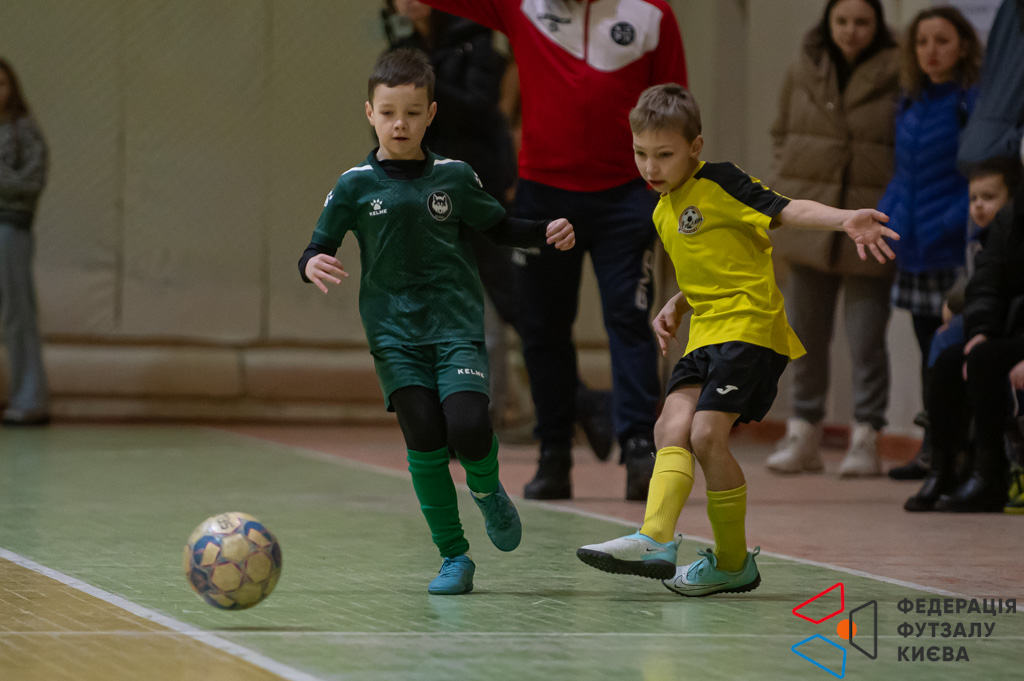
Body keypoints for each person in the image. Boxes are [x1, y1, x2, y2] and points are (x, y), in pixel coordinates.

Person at [576, 84, 898, 596]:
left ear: (694, 147)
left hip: (749, 327)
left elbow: (786, 209)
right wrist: (679, 303)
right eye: (640, 153)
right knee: (669, 427)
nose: (650, 167)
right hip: (705, 334)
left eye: (664, 154)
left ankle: (713, 557)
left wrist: (845, 220)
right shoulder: (662, 210)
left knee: (706, 435)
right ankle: (671, 545)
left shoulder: (721, 182)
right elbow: (716, 266)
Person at [298, 49, 576, 594]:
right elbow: (316, 246)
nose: (399, 123)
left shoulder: (454, 176)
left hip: (454, 327)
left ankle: (488, 490)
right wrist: (311, 264)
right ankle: (454, 556)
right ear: (370, 113)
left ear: (430, 114)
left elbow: (498, 226)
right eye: (388, 112)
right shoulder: (354, 185)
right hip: (393, 335)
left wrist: (544, 232)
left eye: (411, 112)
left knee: (468, 426)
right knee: (424, 438)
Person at [421, 0, 689, 501]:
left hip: (626, 198)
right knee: (543, 328)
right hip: (543, 198)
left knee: (629, 320)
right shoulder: (522, 7)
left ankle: (638, 449)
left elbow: (676, 107)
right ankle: (554, 453)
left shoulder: (652, 16)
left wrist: (675, 194)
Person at [382, 0, 615, 457]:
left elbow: (480, 110)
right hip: (421, 193)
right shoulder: (401, 52)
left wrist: (424, 89)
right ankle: (458, 422)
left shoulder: (475, 42)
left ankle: (583, 401)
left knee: (515, 303)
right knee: (441, 304)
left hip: (474, 189)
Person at [765, 0, 900, 477]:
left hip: (870, 222)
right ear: (828, 22)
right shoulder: (804, 66)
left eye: (862, 22)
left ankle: (866, 437)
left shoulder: (899, 71)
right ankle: (802, 432)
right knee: (804, 335)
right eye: (842, 21)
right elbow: (781, 133)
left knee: (866, 340)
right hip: (813, 220)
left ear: (877, 25)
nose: (851, 31)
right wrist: (786, 187)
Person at [878, 6, 982, 480]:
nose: (931, 51)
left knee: (951, 352)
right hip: (913, 248)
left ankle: (960, 451)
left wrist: (948, 223)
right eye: (922, 42)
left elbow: (978, 177)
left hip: (952, 248)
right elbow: (904, 174)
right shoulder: (910, 99)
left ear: (963, 46)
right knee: (926, 351)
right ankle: (934, 447)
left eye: (942, 41)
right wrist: (887, 218)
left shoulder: (970, 100)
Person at [905, 169, 1024, 513]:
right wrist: (981, 329)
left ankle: (990, 477)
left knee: (985, 360)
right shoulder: (1011, 219)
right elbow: (988, 281)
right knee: (949, 361)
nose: (979, 205)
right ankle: (944, 470)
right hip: (1011, 333)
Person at [0, 57, 50, 427]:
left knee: (17, 312)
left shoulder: (25, 132)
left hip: (9, 228)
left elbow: (30, 184)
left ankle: (29, 399)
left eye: (1, 84)